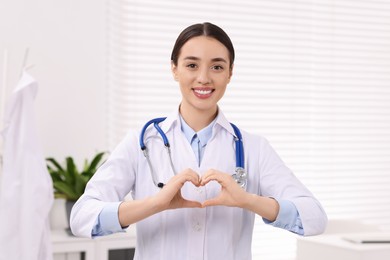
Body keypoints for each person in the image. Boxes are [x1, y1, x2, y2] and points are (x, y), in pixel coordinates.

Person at [70, 22, 327, 260]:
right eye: (192, 65)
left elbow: (314, 217)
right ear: (174, 69)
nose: (204, 78)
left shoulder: (253, 148)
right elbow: (82, 218)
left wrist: (247, 200)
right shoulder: (142, 143)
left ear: (230, 73)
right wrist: (155, 204)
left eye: (217, 66)